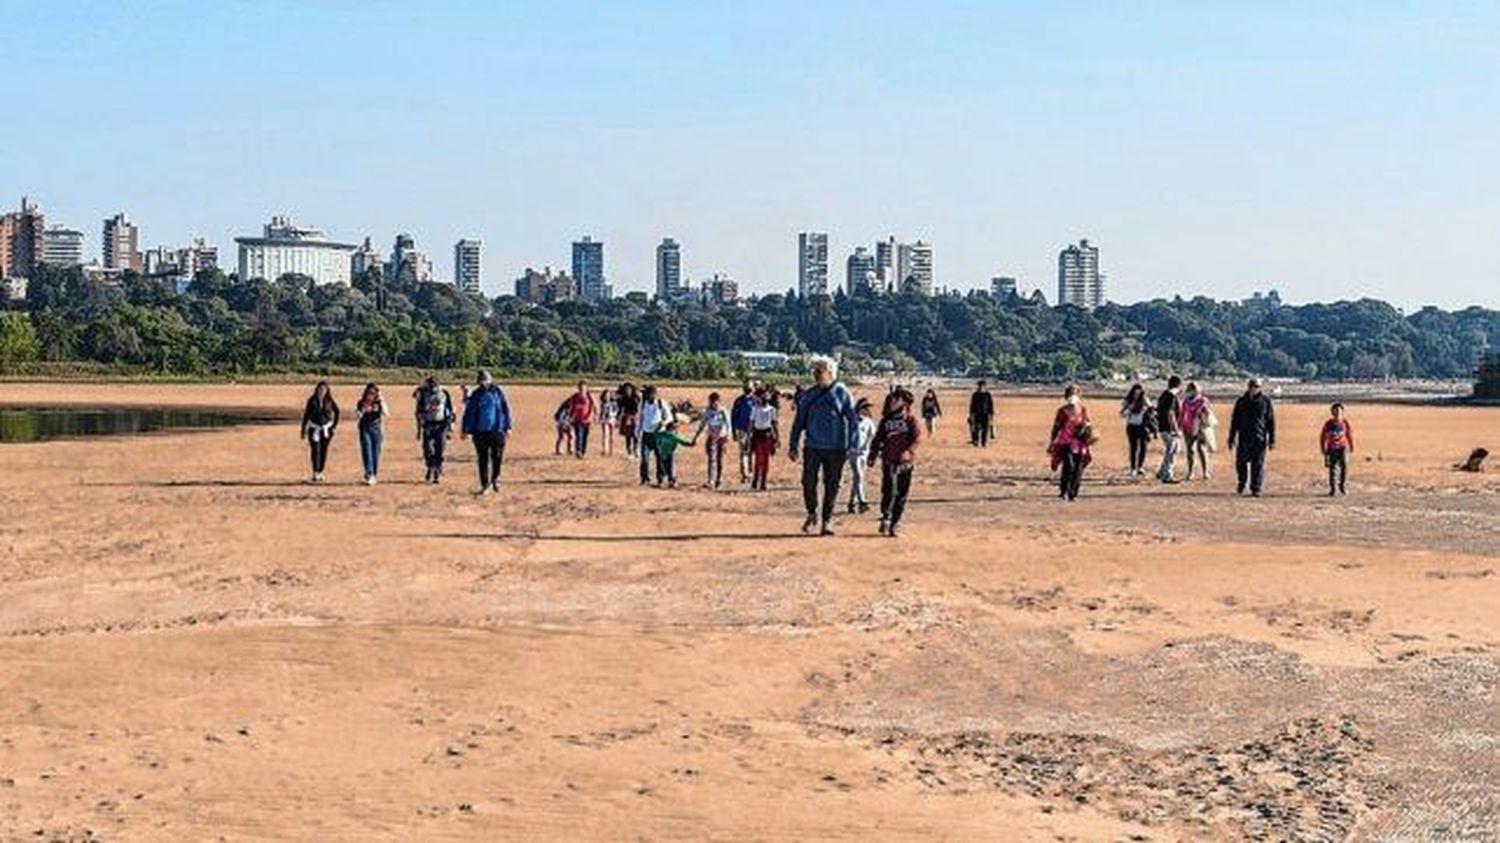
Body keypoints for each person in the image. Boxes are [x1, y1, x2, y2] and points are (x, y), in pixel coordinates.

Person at [788, 357, 861, 536]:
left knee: (832, 485)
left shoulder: (842, 393)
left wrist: (854, 445)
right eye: (815, 370)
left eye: (820, 370)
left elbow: (853, 421)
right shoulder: (808, 395)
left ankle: (826, 521)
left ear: (831, 372)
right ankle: (812, 512)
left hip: (837, 448)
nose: (817, 374)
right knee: (808, 482)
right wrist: (793, 445)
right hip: (812, 446)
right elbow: (798, 422)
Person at [871, 388, 922, 537]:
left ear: (904, 403)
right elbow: (878, 439)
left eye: (896, 399)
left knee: (902, 494)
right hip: (889, 461)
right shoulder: (886, 420)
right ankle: (886, 518)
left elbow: (916, 439)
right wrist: (872, 455)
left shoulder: (911, 420)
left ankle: (895, 524)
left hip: (905, 464)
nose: (892, 402)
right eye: (892, 399)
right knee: (889, 491)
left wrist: (909, 451)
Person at [460, 370, 513, 495]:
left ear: (490, 380)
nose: (483, 384)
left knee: (497, 457)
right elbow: (469, 412)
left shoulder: (498, 392)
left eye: (485, 381)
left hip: (497, 431)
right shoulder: (476, 394)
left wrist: (508, 426)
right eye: (481, 382)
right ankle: (485, 484)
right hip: (480, 432)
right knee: (482, 459)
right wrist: (465, 430)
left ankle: (495, 479)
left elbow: (505, 410)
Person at [1228, 377, 1277, 497]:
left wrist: (1272, 440)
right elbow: (1234, 421)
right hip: (1244, 437)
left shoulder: (1265, 402)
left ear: (1260, 388)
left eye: (1256, 386)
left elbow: (1270, 421)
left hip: (1259, 438)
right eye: (1251, 386)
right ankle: (1242, 482)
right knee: (1240, 462)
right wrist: (1231, 438)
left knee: (1258, 464)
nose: (1253, 388)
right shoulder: (1241, 401)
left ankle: (1256, 488)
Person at [1049, 384, 1094, 501]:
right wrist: (1052, 442)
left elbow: (1088, 423)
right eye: (1070, 393)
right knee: (1068, 466)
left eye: (1075, 393)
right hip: (1066, 442)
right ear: (1066, 396)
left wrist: (1087, 428)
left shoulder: (1083, 410)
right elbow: (1056, 427)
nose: (1072, 396)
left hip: (1080, 443)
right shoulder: (1062, 411)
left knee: (1078, 469)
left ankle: (1073, 493)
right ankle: (1063, 491)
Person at [413, 376, 456, 484]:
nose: (433, 387)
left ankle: (437, 470)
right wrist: (419, 428)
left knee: (440, 449)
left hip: (442, 425)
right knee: (428, 449)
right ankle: (430, 467)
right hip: (428, 425)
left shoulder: (444, 393)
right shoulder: (423, 393)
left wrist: (451, 426)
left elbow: (451, 410)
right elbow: (418, 410)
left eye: (434, 385)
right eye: (430, 385)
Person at [299, 381, 340, 483]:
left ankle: (321, 471)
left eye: (324, 389)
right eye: (320, 389)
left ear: (327, 391)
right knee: (315, 450)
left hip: (326, 429)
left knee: (323, 450)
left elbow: (337, 411)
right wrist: (303, 429)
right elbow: (306, 415)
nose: (321, 391)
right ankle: (315, 472)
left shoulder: (329, 400)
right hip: (314, 429)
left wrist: (334, 426)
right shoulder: (311, 400)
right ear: (316, 390)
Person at [635, 384, 673, 485]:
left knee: (659, 457)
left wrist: (663, 423)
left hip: (659, 434)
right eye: (648, 394)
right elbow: (639, 419)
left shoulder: (661, 403)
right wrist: (637, 433)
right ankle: (644, 478)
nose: (650, 396)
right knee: (644, 458)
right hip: (646, 434)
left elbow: (670, 417)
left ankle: (660, 478)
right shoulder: (642, 404)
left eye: (652, 394)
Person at [1179, 381, 1216, 481]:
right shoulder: (1186, 401)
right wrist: (1180, 426)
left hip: (1200, 427)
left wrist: (1203, 412)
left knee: (1201, 449)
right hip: (1188, 427)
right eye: (1191, 390)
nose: (1192, 392)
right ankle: (1190, 472)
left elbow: (1208, 412)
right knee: (1190, 450)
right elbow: (1182, 414)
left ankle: (1205, 471)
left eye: (1194, 389)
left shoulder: (1203, 400)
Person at [696, 391, 732, 489]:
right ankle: (710, 480)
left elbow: (728, 425)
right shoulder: (708, 411)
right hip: (711, 438)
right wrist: (696, 437)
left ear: (719, 401)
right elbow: (702, 424)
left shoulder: (723, 411)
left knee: (720, 459)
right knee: (711, 459)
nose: (713, 404)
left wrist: (727, 437)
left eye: (715, 401)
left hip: (721, 438)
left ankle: (718, 479)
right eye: (711, 401)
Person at [353, 383, 387, 486]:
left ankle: (373, 473)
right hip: (365, 428)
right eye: (368, 393)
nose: (370, 395)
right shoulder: (361, 403)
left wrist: (381, 400)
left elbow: (386, 413)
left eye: (373, 393)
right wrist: (362, 410)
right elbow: (358, 415)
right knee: (367, 451)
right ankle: (369, 473)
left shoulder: (379, 403)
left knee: (375, 453)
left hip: (376, 429)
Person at [847, 397, 876, 514]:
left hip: (864, 453)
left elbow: (872, 437)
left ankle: (851, 503)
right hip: (853, 453)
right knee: (858, 475)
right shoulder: (851, 421)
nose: (868, 410)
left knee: (858, 478)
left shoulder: (868, 422)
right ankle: (862, 501)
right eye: (866, 407)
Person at [1319, 402, 1355, 496]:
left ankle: (1342, 487)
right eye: (1335, 411)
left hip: (1342, 448)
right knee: (1332, 469)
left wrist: (1351, 446)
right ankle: (1333, 489)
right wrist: (1323, 448)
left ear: (1342, 412)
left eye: (1339, 411)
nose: (1337, 413)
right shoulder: (1328, 424)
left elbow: (1349, 434)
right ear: (1332, 412)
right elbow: (1323, 436)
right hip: (1331, 449)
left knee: (1344, 467)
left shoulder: (1344, 422)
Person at [748, 386, 779, 491]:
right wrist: (748, 437)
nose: (764, 397)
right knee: (758, 459)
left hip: (767, 436)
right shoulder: (755, 409)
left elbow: (774, 424)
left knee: (765, 460)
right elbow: (751, 424)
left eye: (766, 396)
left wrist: (777, 438)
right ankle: (756, 479)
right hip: (757, 435)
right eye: (762, 396)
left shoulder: (772, 410)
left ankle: (763, 482)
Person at [1119, 383, 1153, 477]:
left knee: (1143, 447)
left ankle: (1140, 467)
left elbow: (1152, 410)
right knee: (1133, 447)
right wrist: (1130, 408)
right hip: (1132, 426)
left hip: (1143, 426)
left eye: (1139, 392)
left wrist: (1147, 409)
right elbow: (1122, 414)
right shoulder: (1127, 401)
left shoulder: (1145, 400)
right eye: (1135, 392)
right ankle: (1133, 468)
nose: (1137, 394)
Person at [1155, 375, 1184, 483]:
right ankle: (1167, 475)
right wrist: (1176, 429)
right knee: (1172, 451)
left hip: (1163, 426)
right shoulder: (1172, 396)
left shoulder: (1163, 395)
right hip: (1169, 428)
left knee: (1172, 449)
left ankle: (1162, 471)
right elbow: (1170, 413)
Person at [653, 419, 696, 488]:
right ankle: (665, 481)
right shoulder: (669, 435)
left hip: (667, 454)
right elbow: (655, 434)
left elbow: (684, 442)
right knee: (665, 468)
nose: (675, 430)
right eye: (674, 429)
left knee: (668, 468)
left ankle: (669, 481)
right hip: (665, 454)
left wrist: (691, 443)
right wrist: (658, 426)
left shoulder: (670, 436)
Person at [731, 381, 757, 483]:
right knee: (744, 453)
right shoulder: (739, 401)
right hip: (742, 431)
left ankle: (750, 473)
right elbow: (734, 416)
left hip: (754, 431)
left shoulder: (755, 400)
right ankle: (746, 474)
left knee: (750, 453)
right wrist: (734, 431)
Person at [566, 381, 596, 458]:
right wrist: (570, 417)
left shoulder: (589, 396)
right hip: (577, 420)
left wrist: (594, 416)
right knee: (579, 435)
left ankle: (583, 451)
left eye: (584, 388)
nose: (582, 389)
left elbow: (594, 406)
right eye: (580, 388)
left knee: (585, 436)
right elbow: (571, 407)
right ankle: (578, 451)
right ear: (578, 388)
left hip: (587, 420)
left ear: (586, 388)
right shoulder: (574, 397)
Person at [968, 380, 996, 447]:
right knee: (976, 428)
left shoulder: (988, 395)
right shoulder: (975, 395)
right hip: (977, 414)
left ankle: (984, 442)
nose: (981, 387)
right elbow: (972, 405)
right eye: (980, 386)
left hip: (985, 414)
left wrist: (991, 414)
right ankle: (976, 441)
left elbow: (991, 405)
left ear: (985, 386)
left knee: (985, 429)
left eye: (982, 386)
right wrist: (971, 414)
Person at [617, 383, 641, 457]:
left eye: (629, 389)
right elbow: (620, 409)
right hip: (626, 417)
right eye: (626, 389)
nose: (627, 391)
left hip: (634, 417)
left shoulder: (635, 398)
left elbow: (638, 407)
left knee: (635, 434)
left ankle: (636, 449)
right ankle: (629, 450)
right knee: (628, 435)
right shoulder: (623, 399)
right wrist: (618, 417)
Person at [598, 389, 619, 457]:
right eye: (606, 395)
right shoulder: (602, 404)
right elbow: (601, 412)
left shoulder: (614, 403)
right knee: (605, 435)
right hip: (605, 420)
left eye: (608, 395)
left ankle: (611, 450)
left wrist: (616, 419)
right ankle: (604, 449)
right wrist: (600, 418)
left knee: (612, 436)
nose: (607, 397)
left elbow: (616, 412)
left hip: (612, 420)